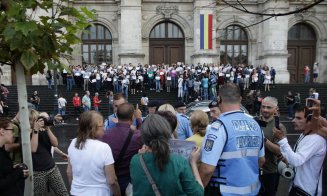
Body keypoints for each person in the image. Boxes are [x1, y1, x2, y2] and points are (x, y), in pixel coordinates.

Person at [199, 83, 265, 195]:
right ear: (240, 99)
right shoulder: (255, 124)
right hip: (253, 191)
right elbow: (261, 160)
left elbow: (207, 169)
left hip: (224, 192)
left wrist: (198, 191)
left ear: (219, 99)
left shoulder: (218, 127)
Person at [130, 114, 204, 195]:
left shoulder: (135, 160)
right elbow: (198, 193)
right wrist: (193, 163)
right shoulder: (179, 161)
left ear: (143, 137)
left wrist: (140, 156)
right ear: (167, 133)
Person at [273, 105, 326, 195]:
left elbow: (296, 161)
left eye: (298, 118)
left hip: (306, 191)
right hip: (296, 187)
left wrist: (282, 140)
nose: (293, 120)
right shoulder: (305, 134)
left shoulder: (316, 139)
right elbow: (294, 157)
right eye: (294, 117)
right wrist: (282, 153)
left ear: (311, 121)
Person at [67, 111, 121, 196]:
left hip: (75, 192)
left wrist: (75, 189)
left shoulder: (73, 143)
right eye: (102, 125)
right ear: (92, 128)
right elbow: (112, 180)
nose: (104, 127)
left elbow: (69, 172)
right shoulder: (104, 147)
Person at [101, 103, 143, 195]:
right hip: (128, 180)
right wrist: (139, 118)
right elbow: (144, 134)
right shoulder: (137, 136)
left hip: (109, 179)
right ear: (132, 118)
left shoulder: (105, 135)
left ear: (117, 116)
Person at [30, 110, 68, 195]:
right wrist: (35, 130)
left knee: (63, 193)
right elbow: (33, 149)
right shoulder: (27, 133)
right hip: (38, 171)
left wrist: (47, 129)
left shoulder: (44, 131)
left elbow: (55, 144)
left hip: (52, 167)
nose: (44, 121)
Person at [257, 97, 287, 196]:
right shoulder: (253, 122)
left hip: (270, 172)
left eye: (269, 107)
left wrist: (263, 139)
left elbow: (279, 151)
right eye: (263, 107)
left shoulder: (279, 127)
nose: (265, 110)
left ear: (276, 109)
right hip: (253, 170)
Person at [0, 118, 29, 196]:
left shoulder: (3, 150)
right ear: (2, 131)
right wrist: (18, 172)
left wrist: (12, 169)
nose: (13, 134)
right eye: (11, 130)